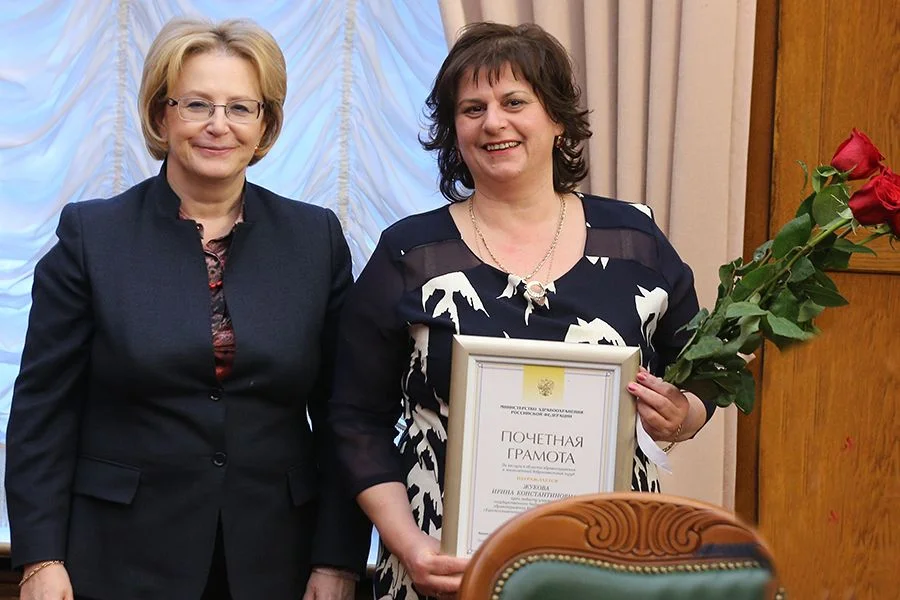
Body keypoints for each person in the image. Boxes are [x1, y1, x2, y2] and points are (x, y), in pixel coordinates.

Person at [327, 22, 717, 599]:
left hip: (607, 565)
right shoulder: (410, 253)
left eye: (514, 102)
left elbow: (705, 367)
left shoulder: (635, 239)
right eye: (472, 109)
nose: (493, 122)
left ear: (557, 119)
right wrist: (408, 544)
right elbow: (356, 416)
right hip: (445, 566)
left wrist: (682, 415)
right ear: (454, 131)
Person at [5, 17, 370, 600]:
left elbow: (344, 417)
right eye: (196, 104)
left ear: (266, 124)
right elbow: (43, 413)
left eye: (240, 107)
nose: (218, 125)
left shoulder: (314, 239)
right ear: (161, 115)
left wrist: (338, 560)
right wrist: (40, 557)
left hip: (278, 563)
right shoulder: (92, 236)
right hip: (118, 561)